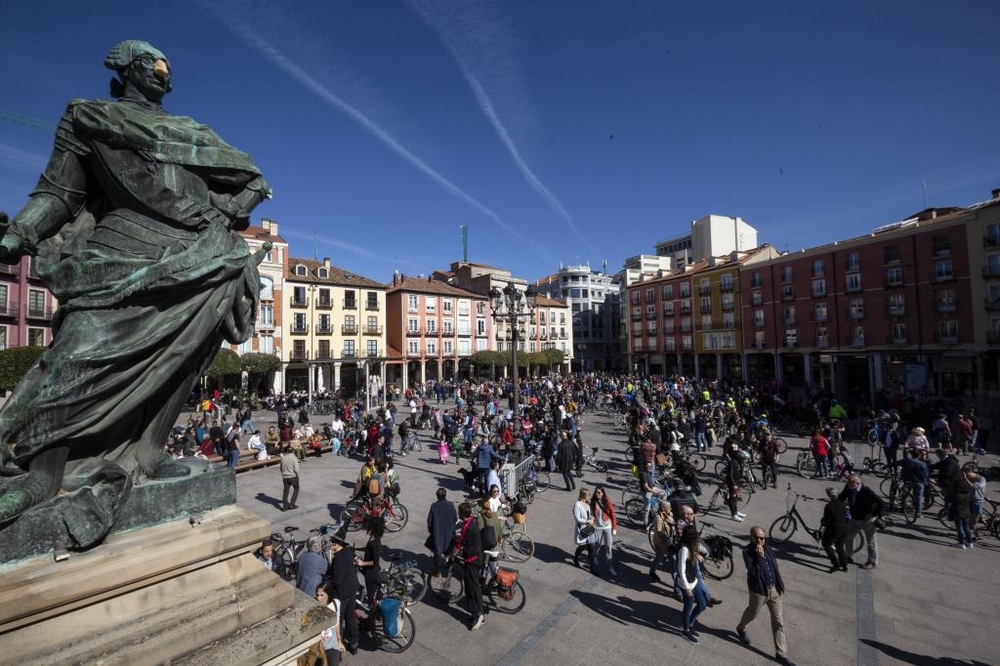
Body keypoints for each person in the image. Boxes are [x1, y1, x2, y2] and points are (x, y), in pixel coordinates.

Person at [0, 39, 272, 542]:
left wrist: (225, 213)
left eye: (167, 67)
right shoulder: (90, 117)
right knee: (75, 356)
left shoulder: (192, 132)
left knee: (181, 361)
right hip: (123, 247)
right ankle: (30, 464)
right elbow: (59, 193)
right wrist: (19, 233)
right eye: (153, 64)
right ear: (126, 69)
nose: (164, 73)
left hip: (200, 254)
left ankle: (149, 451)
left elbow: (251, 180)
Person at [735, 526, 794, 666]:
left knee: (778, 622)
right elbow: (754, 573)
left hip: (774, 591)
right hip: (759, 592)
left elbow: (774, 567)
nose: (760, 540)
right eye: (757, 538)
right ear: (751, 537)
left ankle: (781, 654)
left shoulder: (768, 549)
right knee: (752, 613)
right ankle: (741, 628)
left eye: (762, 537)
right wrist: (759, 558)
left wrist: (779, 585)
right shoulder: (747, 552)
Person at [449, 502, 485, 631]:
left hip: (472, 560)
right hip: (478, 556)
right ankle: (478, 612)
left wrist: (449, 556)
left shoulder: (466, 527)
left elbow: (458, 546)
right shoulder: (474, 520)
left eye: (459, 512)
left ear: (463, 514)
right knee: (474, 586)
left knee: (471, 587)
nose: (458, 514)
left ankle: (477, 614)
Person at [838, 475, 883, 569]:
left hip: (867, 520)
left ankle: (872, 562)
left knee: (871, 542)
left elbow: (881, 503)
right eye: (848, 483)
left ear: (857, 483)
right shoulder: (849, 487)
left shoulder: (866, 491)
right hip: (854, 519)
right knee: (848, 537)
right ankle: (848, 556)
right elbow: (841, 497)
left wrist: (876, 515)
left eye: (850, 483)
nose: (848, 485)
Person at [328, 529, 359, 655]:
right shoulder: (348, 551)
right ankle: (354, 644)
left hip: (343, 593)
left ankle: (338, 645)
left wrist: (330, 585)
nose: (331, 545)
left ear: (338, 544)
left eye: (333, 543)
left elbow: (338, 580)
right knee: (351, 618)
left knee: (339, 619)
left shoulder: (338, 559)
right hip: (353, 589)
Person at [677, 524, 709, 644]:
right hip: (687, 584)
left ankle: (689, 624)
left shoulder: (690, 546)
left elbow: (693, 552)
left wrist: (697, 555)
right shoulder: (684, 549)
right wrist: (686, 588)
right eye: (694, 536)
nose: (696, 538)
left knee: (702, 605)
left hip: (694, 581)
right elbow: (681, 569)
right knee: (688, 608)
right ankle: (685, 630)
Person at [426, 487, 457, 577]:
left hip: (437, 534)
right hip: (449, 533)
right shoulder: (451, 505)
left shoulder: (434, 506)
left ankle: (438, 572)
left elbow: (429, 521)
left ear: (437, 496)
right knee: (449, 551)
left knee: (437, 553)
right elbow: (455, 518)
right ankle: (450, 569)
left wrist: (432, 531)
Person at [356, 515, 385, 608]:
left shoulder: (375, 542)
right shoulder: (373, 536)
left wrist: (362, 563)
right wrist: (356, 548)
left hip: (372, 573)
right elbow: (368, 549)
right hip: (368, 570)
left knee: (371, 596)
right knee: (376, 592)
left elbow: (375, 562)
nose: (365, 527)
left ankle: (375, 614)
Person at [590, 485, 618, 576]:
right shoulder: (593, 501)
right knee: (596, 544)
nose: (597, 494)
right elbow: (592, 512)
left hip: (607, 527)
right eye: (596, 492)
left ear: (602, 493)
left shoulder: (607, 501)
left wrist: (614, 528)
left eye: (599, 492)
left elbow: (613, 514)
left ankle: (610, 567)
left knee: (608, 547)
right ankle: (595, 556)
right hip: (597, 527)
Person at [820, 487, 850, 572]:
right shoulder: (843, 504)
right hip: (845, 527)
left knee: (826, 544)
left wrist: (823, 522)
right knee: (839, 545)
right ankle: (844, 565)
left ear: (829, 496)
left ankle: (836, 564)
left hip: (835, 528)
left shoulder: (829, 506)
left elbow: (826, 520)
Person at [316, 582, 344, 666]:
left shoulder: (336, 603)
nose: (318, 598)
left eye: (322, 595)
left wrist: (339, 641)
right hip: (320, 646)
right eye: (317, 595)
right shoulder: (315, 605)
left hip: (333, 645)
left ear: (329, 594)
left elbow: (337, 623)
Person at [648, 500, 674, 583]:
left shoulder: (670, 514)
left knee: (665, 558)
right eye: (669, 507)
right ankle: (652, 571)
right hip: (660, 543)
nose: (671, 508)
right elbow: (659, 534)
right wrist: (665, 548)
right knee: (659, 557)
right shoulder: (658, 518)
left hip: (669, 540)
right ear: (663, 508)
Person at [899, 448, 929, 519]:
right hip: (919, 482)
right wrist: (925, 483)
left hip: (909, 481)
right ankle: (918, 513)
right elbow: (926, 475)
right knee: (919, 498)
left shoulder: (907, 461)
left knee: (905, 493)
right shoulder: (923, 464)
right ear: (919, 455)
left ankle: (903, 506)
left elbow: (896, 463)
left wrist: (886, 466)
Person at [572, 488, 597, 570]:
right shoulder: (577, 505)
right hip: (583, 529)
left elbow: (589, 514)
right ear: (584, 495)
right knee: (583, 547)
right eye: (588, 494)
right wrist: (587, 521)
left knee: (591, 548)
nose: (589, 496)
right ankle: (575, 558)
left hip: (589, 528)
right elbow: (577, 519)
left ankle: (592, 568)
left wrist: (592, 517)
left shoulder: (587, 504)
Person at [279, 444, 300, 512]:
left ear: (287, 452)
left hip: (285, 477)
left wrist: (283, 473)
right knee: (296, 489)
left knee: (285, 491)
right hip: (293, 476)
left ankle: (285, 507)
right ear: (293, 452)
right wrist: (297, 475)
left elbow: (281, 468)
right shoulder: (294, 458)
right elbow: (296, 469)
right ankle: (292, 504)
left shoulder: (283, 458)